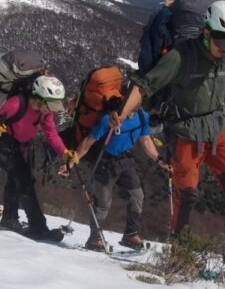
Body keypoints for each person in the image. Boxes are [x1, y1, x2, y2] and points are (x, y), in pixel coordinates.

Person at [110, 0, 225, 236]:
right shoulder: (180, 57)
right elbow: (144, 86)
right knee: (187, 195)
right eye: (221, 44)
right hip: (185, 132)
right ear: (206, 31)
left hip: (218, 126)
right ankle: (182, 248)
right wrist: (123, 114)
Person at [0, 75, 79, 238]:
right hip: (3, 144)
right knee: (24, 182)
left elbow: (51, 134)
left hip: (22, 145)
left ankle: (9, 219)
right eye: (50, 104)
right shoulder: (16, 104)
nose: (51, 110)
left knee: (16, 180)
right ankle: (38, 226)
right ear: (39, 98)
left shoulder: (44, 112)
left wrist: (65, 152)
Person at [59, 108, 169, 251]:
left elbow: (145, 139)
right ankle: (94, 239)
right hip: (104, 162)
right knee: (103, 203)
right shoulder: (109, 119)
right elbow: (88, 142)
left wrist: (158, 159)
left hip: (124, 159)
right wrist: (71, 163)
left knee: (137, 195)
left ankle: (131, 234)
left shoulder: (142, 116)